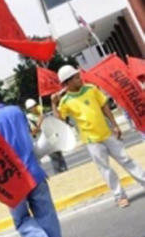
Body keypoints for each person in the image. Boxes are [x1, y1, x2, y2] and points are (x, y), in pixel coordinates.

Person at [0, 87, 68, 237]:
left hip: (11, 181)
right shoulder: (17, 111)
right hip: (34, 171)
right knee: (47, 215)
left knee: (21, 221)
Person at [52, 65, 145, 208]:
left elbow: (104, 106)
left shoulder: (91, 89)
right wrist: (54, 103)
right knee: (105, 169)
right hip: (91, 140)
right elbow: (60, 122)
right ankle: (119, 196)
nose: (79, 79)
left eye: (78, 76)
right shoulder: (65, 102)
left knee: (126, 159)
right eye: (76, 78)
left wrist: (115, 125)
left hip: (106, 133)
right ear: (67, 83)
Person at [25, 98, 68, 174]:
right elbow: (33, 132)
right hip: (43, 139)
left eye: (35, 105)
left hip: (52, 136)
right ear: (29, 109)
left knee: (59, 153)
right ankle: (59, 172)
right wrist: (40, 121)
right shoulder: (29, 117)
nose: (35, 107)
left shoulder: (43, 113)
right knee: (53, 156)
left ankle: (65, 170)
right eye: (32, 107)